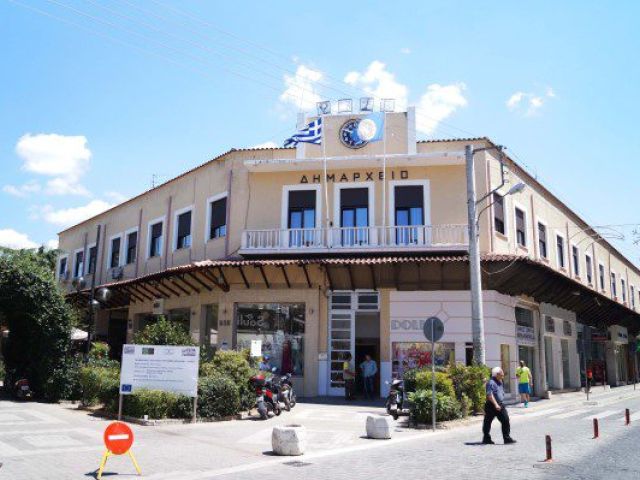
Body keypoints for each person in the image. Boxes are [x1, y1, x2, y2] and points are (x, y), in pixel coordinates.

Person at [482, 366, 516, 445]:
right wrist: (496, 404)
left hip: (500, 404)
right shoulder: (491, 382)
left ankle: (507, 438)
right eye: (501, 372)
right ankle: (486, 438)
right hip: (491, 405)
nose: (503, 374)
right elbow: (489, 395)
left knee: (505, 420)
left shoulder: (500, 381)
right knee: (487, 422)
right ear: (497, 374)